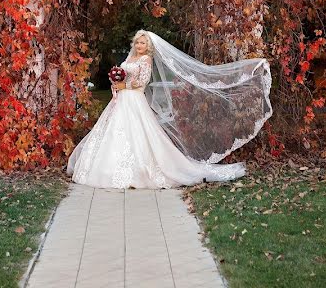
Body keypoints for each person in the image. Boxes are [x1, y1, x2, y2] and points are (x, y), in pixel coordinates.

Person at [66, 29, 272, 189]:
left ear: (148, 46)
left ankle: (143, 171)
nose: (139, 45)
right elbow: (124, 75)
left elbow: (143, 83)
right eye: (138, 42)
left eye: (143, 42)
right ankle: (104, 169)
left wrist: (124, 86)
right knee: (113, 133)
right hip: (121, 100)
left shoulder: (146, 60)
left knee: (137, 135)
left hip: (134, 99)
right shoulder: (130, 58)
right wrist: (116, 84)